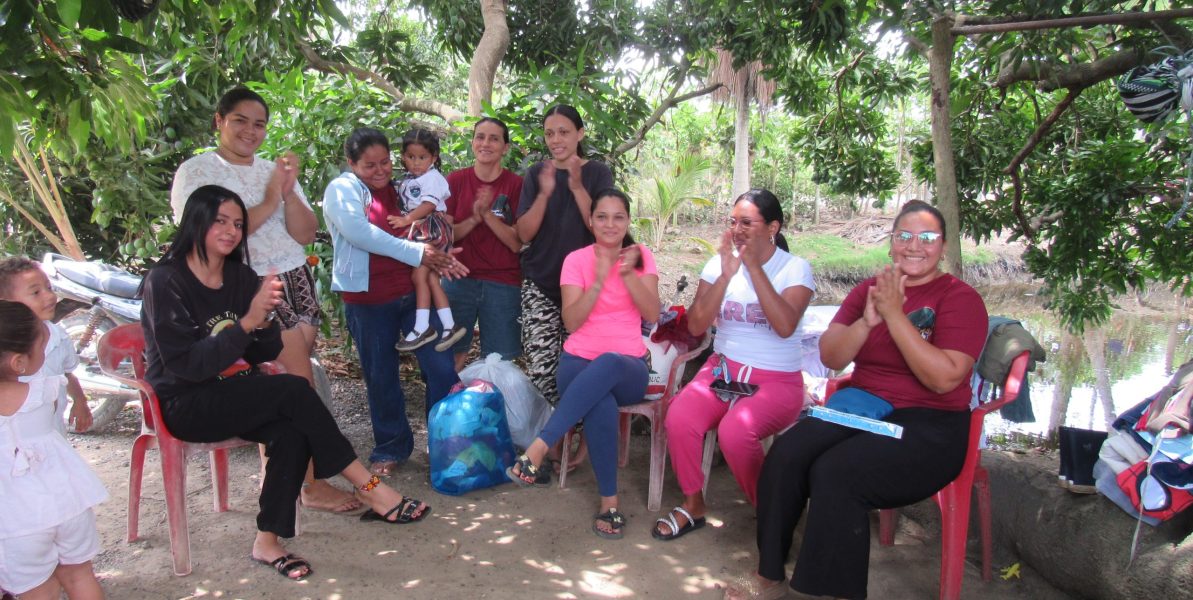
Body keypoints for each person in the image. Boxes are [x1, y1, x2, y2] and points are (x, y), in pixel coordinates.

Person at [141, 185, 432, 581]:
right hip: (187, 404)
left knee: (290, 431)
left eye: (238, 224)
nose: (230, 230)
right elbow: (187, 366)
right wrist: (245, 323)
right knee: (294, 390)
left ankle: (268, 541)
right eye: (220, 221)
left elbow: (262, 350)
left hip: (236, 392)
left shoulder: (240, 276)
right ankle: (370, 486)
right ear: (196, 221)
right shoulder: (166, 281)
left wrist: (261, 323)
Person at [727, 201, 988, 600]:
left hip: (931, 425)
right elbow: (832, 356)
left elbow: (942, 379)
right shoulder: (869, 290)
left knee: (838, 473)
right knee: (787, 454)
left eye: (927, 238)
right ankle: (770, 572)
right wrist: (868, 321)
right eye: (904, 236)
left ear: (944, 245)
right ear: (891, 243)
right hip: (864, 408)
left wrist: (895, 315)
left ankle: (827, 592)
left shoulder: (959, 298)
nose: (914, 246)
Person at [168, 87, 357, 514]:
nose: (250, 131)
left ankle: (294, 481)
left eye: (259, 124)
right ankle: (311, 486)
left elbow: (306, 234)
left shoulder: (274, 170)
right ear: (219, 120)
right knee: (296, 384)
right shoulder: (197, 172)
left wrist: (288, 193)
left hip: (295, 275)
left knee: (288, 379)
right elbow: (211, 237)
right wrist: (272, 196)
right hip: (248, 283)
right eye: (240, 120)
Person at [656, 189, 815, 542]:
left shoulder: (795, 269)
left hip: (777, 381)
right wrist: (727, 275)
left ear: (773, 226)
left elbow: (785, 325)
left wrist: (753, 268)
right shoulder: (718, 265)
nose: (737, 229)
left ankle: (772, 511)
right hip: (723, 371)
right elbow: (696, 327)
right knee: (679, 417)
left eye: (747, 222)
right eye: (733, 222)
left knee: (735, 432)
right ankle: (694, 504)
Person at [506, 189, 660, 540]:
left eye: (618, 217)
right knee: (599, 402)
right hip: (576, 363)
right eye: (602, 217)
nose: (610, 224)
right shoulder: (575, 260)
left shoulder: (641, 256)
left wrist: (625, 274)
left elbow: (651, 313)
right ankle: (610, 504)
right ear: (590, 221)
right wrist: (600, 281)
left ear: (628, 222)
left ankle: (540, 446)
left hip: (629, 368)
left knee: (608, 363)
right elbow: (572, 323)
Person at [323, 128, 465, 477]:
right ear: (351, 163)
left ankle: (443, 443)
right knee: (380, 374)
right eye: (369, 165)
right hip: (368, 301)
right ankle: (391, 446)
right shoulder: (343, 190)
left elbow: (431, 226)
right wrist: (419, 251)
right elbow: (360, 233)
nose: (380, 170)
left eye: (385, 161)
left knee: (441, 367)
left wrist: (441, 252)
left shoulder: (406, 187)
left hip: (415, 295)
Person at [0, 301, 107, 600]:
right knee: (80, 577)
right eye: (42, 343)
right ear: (19, 363)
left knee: (39, 591)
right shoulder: (43, 392)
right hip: (68, 504)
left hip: (16, 521)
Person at [514, 105, 613, 405]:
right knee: (541, 369)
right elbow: (524, 234)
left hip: (585, 287)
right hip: (540, 281)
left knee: (579, 368)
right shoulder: (536, 174)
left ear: (580, 134)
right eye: (549, 133)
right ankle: (557, 435)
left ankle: (575, 438)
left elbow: (601, 228)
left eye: (564, 132)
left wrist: (577, 186)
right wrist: (544, 194)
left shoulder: (597, 172)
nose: (556, 139)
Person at [443, 118, 524, 371]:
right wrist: (474, 219)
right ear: (472, 142)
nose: (485, 143)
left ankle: (491, 410)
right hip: (458, 280)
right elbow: (445, 236)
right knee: (450, 357)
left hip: (503, 283)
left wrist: (488, 215)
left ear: (505, 147)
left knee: (500, 363)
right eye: (480, 137)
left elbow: (516, 243)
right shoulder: (455, 181)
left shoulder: (516, 185)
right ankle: (443, 410)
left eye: (494, 138)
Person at [386, 128, 464, 352]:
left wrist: (406, 220)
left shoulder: (433, 178)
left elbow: (429, 204)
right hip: (425, 226)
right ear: (403, 156)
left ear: (434, 158)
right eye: (411, 157)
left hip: (431, 228)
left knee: (418, 275)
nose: (416, 163)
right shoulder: (410, 178)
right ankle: (449, 325)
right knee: (430, 279)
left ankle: (422, 327)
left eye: (422, 158)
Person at [0, 258, 93, 434]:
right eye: (35, 292)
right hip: (15, 440)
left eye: (49, 288)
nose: (50, 296)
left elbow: (66, 375)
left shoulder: (59, 337)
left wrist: (80, 402)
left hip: (52, 432)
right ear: (6, 302)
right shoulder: (6, 345)